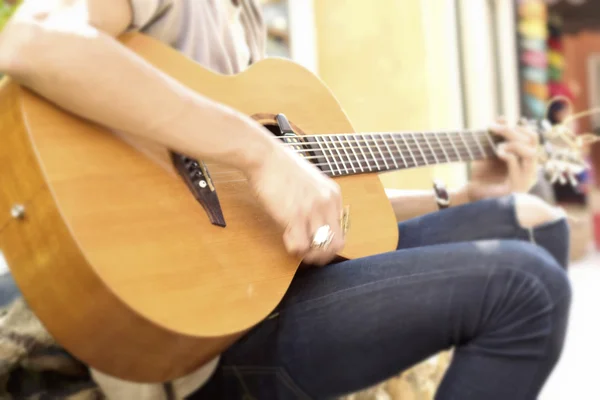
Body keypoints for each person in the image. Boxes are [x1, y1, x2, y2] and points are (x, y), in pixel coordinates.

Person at [0, 1, 571, 399]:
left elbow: (289, 203)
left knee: (537, 226)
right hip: (199, 338)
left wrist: (461, 194)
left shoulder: (244, 20)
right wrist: (261, 153)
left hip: (269, 284)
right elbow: (34, 40)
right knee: (526, 286)